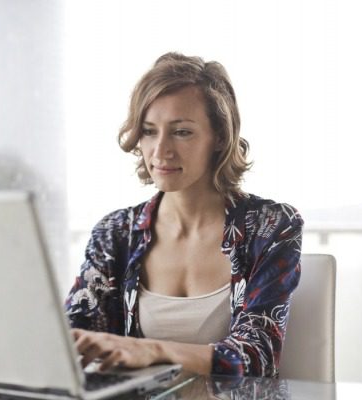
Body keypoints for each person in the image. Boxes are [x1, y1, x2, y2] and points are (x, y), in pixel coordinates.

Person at [65, 52, 303, 377]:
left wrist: (153, 350)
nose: (160, 150)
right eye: (149, 131)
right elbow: (72, 341)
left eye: (181, 132)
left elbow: (257, 356)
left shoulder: (271, 226)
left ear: (220, 137)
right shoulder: (117, 232)